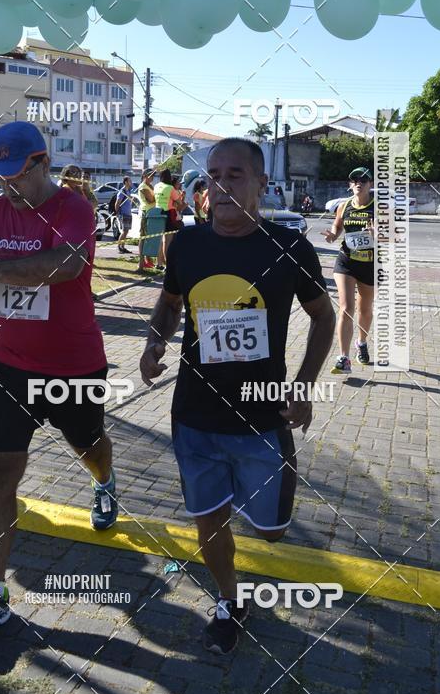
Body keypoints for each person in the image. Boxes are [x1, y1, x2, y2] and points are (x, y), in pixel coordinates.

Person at [140, 137, 335, 654]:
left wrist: (304, 385)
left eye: (236, 175)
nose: (222, 186)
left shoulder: (288, 247)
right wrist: (154, 343)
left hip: (261, 419)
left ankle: (256, 526)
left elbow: (324, 317)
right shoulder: (186, 244)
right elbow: (168, 302)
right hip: (195, 416)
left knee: (271, 530)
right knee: (209, 520)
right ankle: (230, 599)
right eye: (214, 176)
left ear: (260, 185)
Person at [0, 122, 118, 633]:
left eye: (16, 177)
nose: (7, 187)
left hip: (71, 363)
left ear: (42, 164)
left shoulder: (73, 207)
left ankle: (105, 481)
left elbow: (65, 265)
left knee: (88, 444)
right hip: (5, 362)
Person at [321, 166, 375, 374]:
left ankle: (361, 342)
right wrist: (333, 235)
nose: (358, 183)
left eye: (363, 179)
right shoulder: (344, 206)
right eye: (354, 180)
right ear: (350, 185)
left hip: (369, 264)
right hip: (346, 261)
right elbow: (337, 227)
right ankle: (344, 358)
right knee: (346, 308)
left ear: (370, 184)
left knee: (365, 311)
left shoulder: (379, 207)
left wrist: (377, 235)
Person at [153, 168, 176, 269]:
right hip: (168, 213)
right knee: (168, 241)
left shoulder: (156, 186)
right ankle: (167, 264)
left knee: (160, 239)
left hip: (158, 213)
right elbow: (178, 201)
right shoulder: (170, 187)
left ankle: (159, 263)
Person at [137, 168, 156, 271]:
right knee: (143, 238)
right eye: (150, 175)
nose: (152, 177)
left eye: (153, 176)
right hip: (145, 213)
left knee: (149, 238)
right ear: (144, 176)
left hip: (152, 213)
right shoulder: (143, 186)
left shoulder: (150, 186)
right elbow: (151, 200)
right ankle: (140, 264)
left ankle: (148, 261)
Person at [115, 175, 133, 254]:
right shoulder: (122, 191)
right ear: (126, 182)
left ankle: (123, 246)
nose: (131, 182)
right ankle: (119, 247)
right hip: (124, 214)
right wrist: (118, 213)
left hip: (128, 214)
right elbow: (117, 203)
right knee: (124, 231)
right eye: (129, 181)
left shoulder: (128, 191)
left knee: (126, 231)